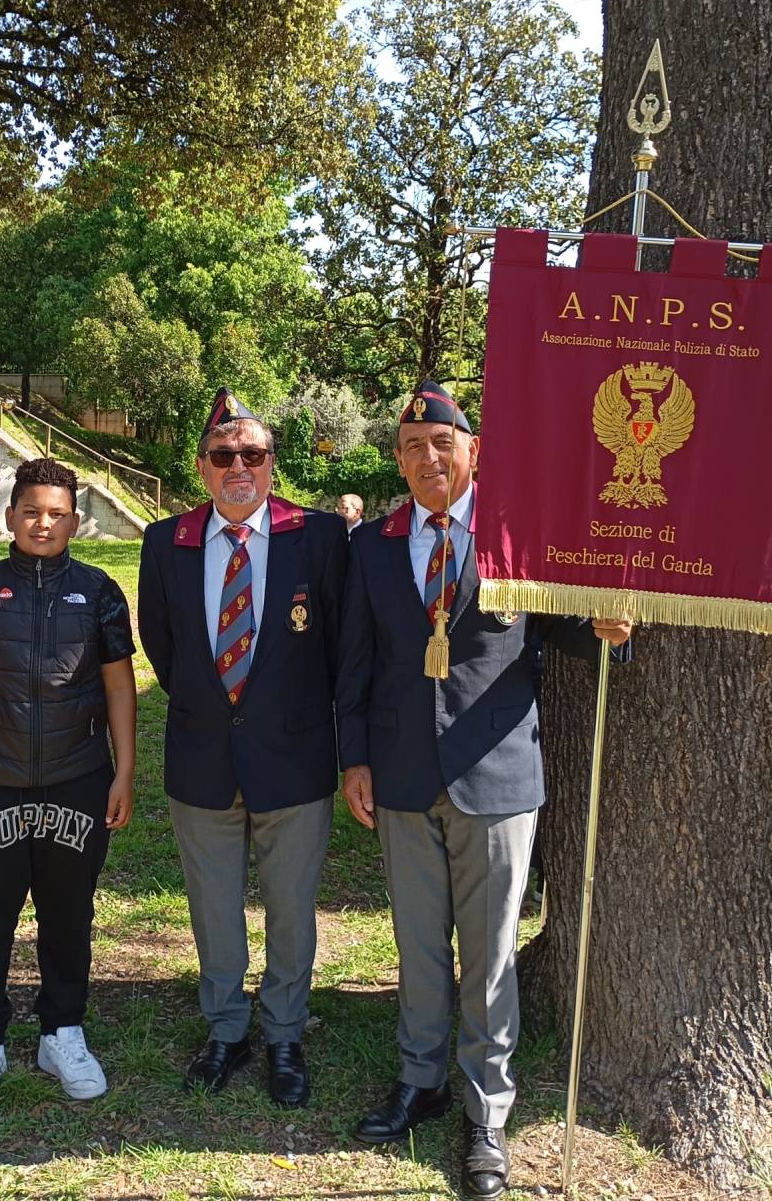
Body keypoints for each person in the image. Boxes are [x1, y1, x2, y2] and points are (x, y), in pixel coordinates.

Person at [336, 380, 630, 1199]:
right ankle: (420, 1080)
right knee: (419, 944)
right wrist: (354, 758)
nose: (427, 459)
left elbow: (563, 625)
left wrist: (608, 626)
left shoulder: (516, 533)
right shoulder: (376, 543)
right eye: (411, 449)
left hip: (497, 776)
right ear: (398, 462)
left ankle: (486, 1110)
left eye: (441, 444)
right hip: (399, 773)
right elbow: (355, 662)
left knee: (491, 955)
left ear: (474, 452)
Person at [138, 387, 347, 1107]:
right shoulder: (166, 543)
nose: (238, 466)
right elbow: (163, 650)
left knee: (292, 907)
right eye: (224, 455)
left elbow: (340, 646)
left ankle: (285, 1032)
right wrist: (212, 704)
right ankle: (227, 1030)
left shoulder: (317, 538)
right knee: (213, 908)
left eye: (252, 454)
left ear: (271, 464)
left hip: (294, 757)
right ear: (201, 467)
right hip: (202, 757)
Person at [0, 457, 136, 1126]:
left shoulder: (101, 591)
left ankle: (62, 1034)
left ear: (75, 521)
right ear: (9, 517)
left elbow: (117, 686)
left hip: (74, 779)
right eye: (31, 512)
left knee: (68, 918)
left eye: (56, 513)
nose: (43, 523)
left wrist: (124, 770)